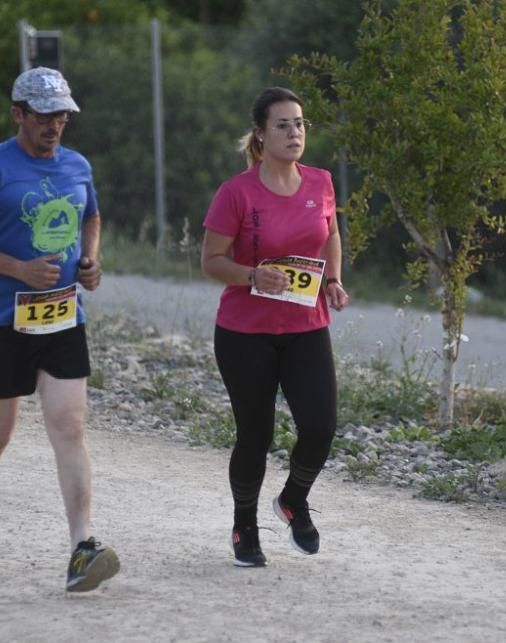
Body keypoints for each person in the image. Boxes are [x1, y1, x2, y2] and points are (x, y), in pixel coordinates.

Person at [0, 66, 119, 592]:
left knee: (69, 425)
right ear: (19, 113)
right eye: (43, 115)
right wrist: (16, 269)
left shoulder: (77, 165)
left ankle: (82, 548)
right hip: (0, 318)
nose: (54, 124)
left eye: (62, 114)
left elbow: (91, 217)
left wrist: (90, 260)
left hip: (63, 313)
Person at [201, 87, 349, 568]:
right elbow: (211, 261)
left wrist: (333, 281)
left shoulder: (321, 182)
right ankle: (245, 526)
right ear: (261, 134)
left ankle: (292, 499)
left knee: (321, 425)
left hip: (306, 325)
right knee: (255, 435)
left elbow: (330, 236)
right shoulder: (237, 192)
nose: (294, 132)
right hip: (246, 332)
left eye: (300, 124)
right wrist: (251, 275)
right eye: (283, 125)